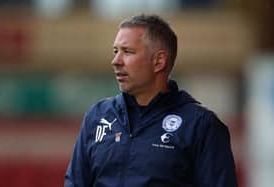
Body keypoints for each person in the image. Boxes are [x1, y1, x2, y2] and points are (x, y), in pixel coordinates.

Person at [64, 14, 238, 187]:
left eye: (127, 52)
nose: (115, 61)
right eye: (116, 51)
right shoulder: (98, 116)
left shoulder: (200, 126)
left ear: (158, 61)